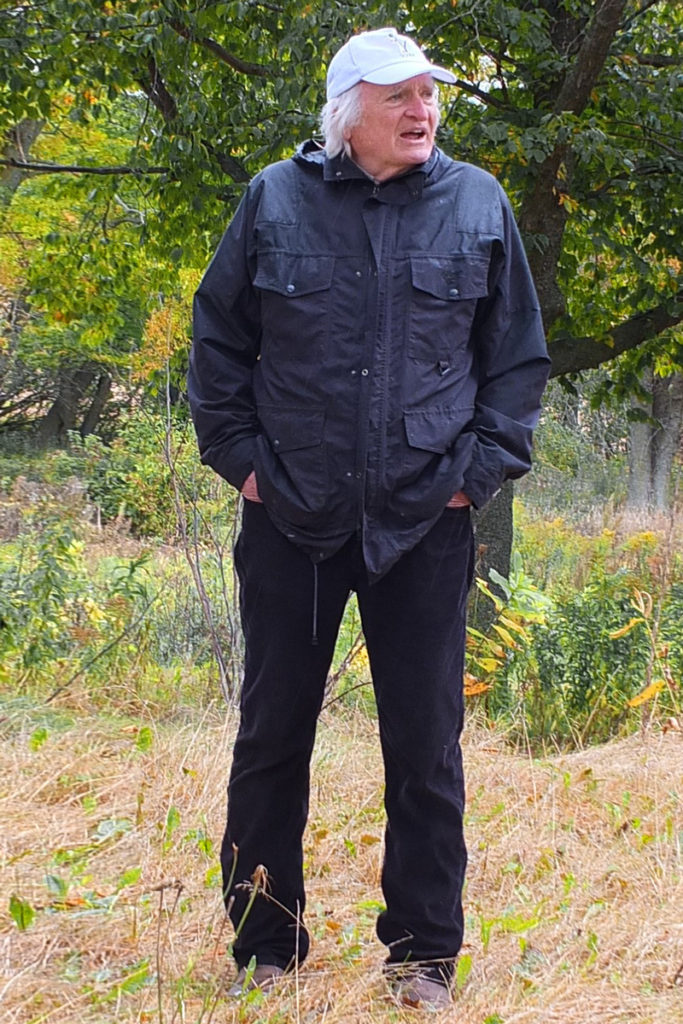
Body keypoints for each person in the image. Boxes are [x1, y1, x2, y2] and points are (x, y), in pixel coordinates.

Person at [188, 26, 549, 1011]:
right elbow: (216, 341)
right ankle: (266, 943)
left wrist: (473, 476)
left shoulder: (476, 205)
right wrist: (244, 466)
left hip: (424, 522)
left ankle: (422, 957)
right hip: (290, 520)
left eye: (427, 95)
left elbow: (514, 358)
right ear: (346, 111)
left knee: (424, 747)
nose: (419, 111)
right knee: (270, 736)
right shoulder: (274, 199)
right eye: (396, 97)